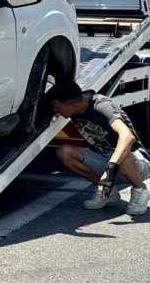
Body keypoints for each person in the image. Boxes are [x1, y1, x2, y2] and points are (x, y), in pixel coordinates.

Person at [48, 79, 150, 215]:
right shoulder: (76, 104)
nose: (55, 110)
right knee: (64, 152)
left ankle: (140, 189)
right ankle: (107, 191)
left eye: (57, 107)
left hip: (134, 161)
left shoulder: (102, 105)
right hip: (104, 158)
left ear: (72, 104)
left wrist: (110, 170)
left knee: (122, 156)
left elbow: (128, 137)